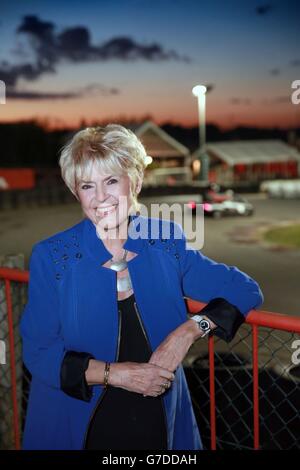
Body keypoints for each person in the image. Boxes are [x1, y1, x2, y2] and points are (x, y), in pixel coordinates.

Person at [20, 124, 264, 450]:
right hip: (76, 421)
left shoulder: (165, 240)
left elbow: (245, 288)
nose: (101, 197)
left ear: (134, 181)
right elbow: (38, 353)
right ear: (75, 191)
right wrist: (117, 375)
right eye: (87, 185)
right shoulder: (52, 256)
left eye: (111, 180)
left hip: (157, 417)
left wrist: (189, 331)